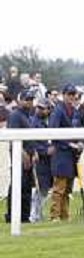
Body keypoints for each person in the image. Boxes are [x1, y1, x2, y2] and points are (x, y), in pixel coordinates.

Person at [48, 83, 83, 222]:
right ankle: (54, 216)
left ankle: (64, 215)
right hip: (61, 153)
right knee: (59, 187)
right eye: (69, 94)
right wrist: (69, 144)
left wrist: (79, 142)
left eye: (74, 94)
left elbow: (77, 130)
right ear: (64, 95)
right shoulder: (58, 110)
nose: (72, 97)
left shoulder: (75, 111)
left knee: (68, 188)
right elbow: (53, 131)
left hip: (71, 155)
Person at [4, 90, 37, 224]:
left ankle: (25, 215)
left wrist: (33, 153)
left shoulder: (28, 115)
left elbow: (30, 137)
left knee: (27, 187)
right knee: (18, 185)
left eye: (31, 99)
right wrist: (23, 155)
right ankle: (12, 215)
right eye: (26, 99)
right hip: (19, 155)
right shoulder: (15, 115)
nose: (29, 102)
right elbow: (13, 138)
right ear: (20, 100)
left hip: (28, 155)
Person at [29, 97, 54, 222]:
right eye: (39, 108)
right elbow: (31, 142)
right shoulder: (33, 122)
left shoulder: (48, 121)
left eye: (43, 108)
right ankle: (34, 215)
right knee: (39, 189)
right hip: (39, 159)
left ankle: (37, 213)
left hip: (47, 160)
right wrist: (44, 150)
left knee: (44, 189)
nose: (41, 110)